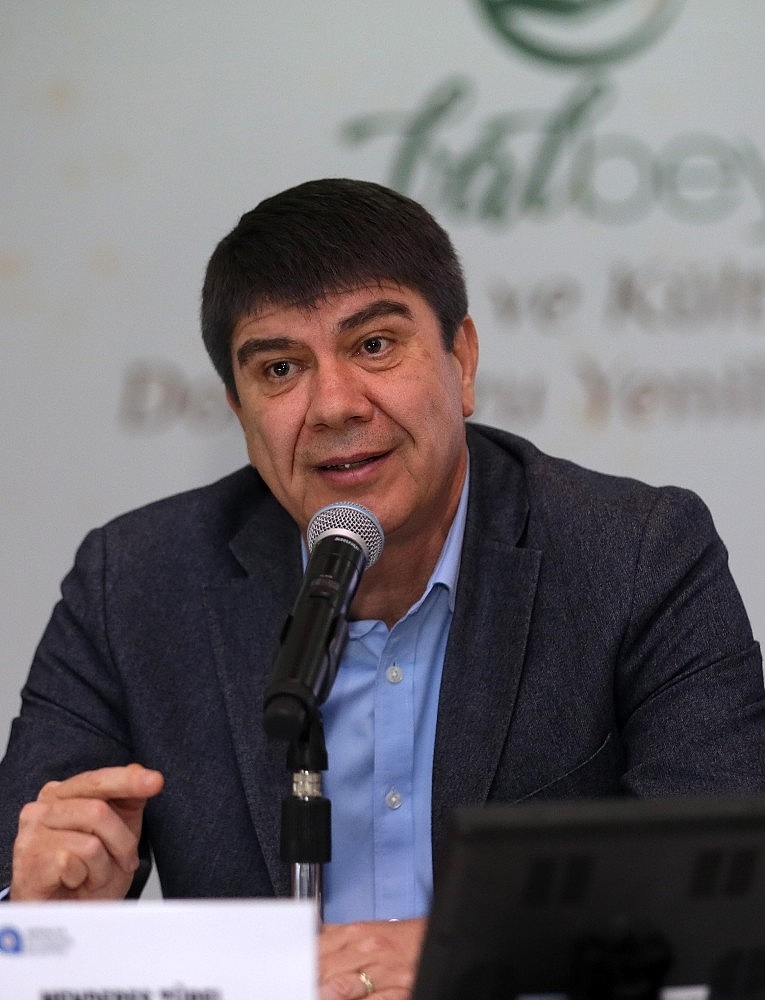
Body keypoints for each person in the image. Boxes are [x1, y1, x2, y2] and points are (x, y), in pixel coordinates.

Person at [1, 178, 764, 1000]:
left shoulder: (634, 554)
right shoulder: (136, 583)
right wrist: (43, 922)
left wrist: (463, 954)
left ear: (461, 360)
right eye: (281, 368)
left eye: (373, 346)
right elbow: (24, 904)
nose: (333, 405)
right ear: (239, 409)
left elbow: (724, 891)